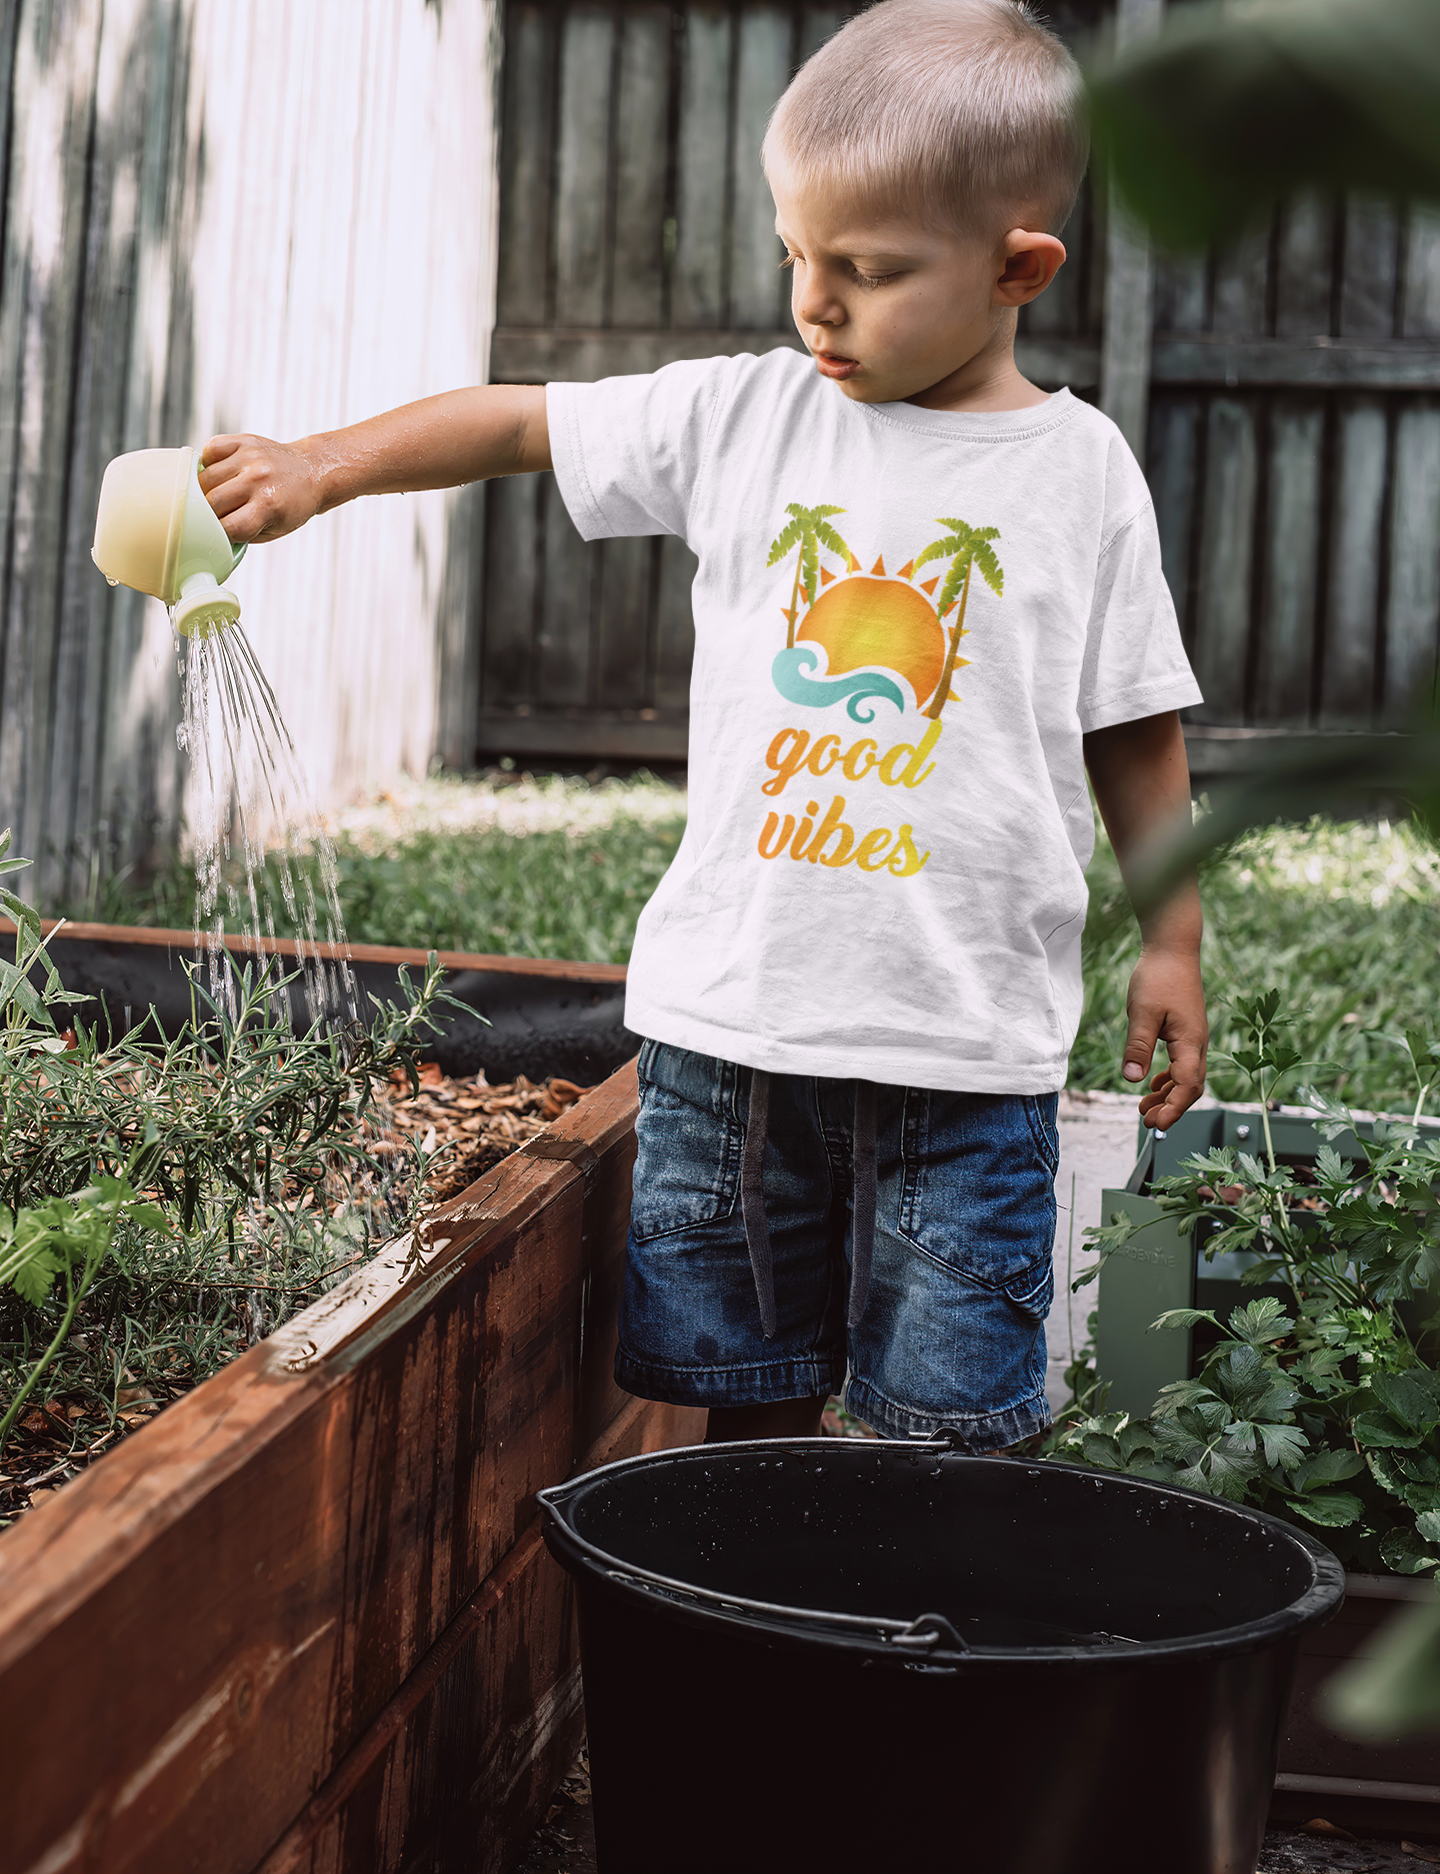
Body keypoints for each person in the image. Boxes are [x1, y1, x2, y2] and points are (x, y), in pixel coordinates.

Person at [197, 0, 1208, 1452]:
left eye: (868, 271)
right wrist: (321, 465)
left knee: (946, 1439)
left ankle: (901, 1660)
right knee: (743, 1404)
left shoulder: (1081, 472)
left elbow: (1134, 720)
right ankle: (749, 1642)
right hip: (735, 1030)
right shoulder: (747, 416)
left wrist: (1169, 940)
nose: (817, 304)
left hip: (967, 1051)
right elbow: (516, 420)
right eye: (798, 254)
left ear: (1018, 267)